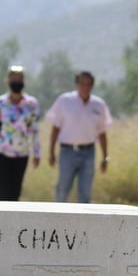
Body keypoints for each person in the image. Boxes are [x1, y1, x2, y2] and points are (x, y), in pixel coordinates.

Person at [0, 65, 41, 201]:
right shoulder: (0, 103)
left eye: (19, 79)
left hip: (22, 152)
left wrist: (37, 152)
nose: (16, 82)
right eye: (13, 79)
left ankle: (13, 221)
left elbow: (34, 129)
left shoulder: (31, 104)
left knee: (16, 190)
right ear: (8, 81)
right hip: (2, 152)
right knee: (3, 189)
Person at [46, 71, 112, 203]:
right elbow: (56, 128)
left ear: (92, 86)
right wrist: (51, 152)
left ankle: (84, 222)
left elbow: (102, 132)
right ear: (77, 85)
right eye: (82, 84)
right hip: (68, 151)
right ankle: (57, 220)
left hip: (88, 152)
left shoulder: (98, 105)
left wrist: (105, 157)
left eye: (88, 84)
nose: (85, 87)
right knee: (63, 188)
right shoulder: (65, 101)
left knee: (85, 191)